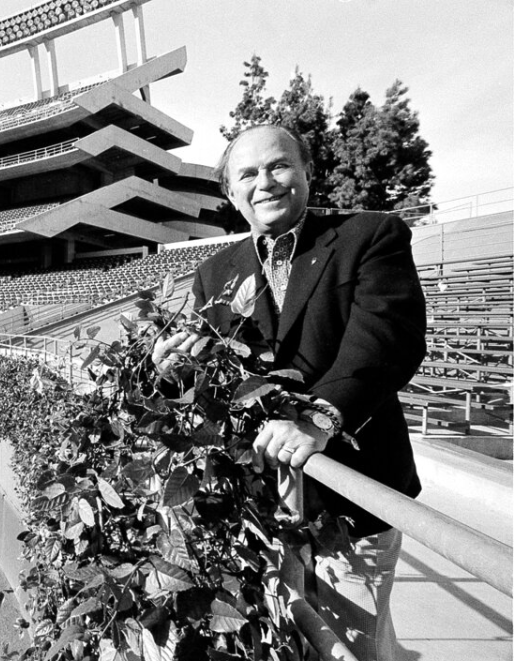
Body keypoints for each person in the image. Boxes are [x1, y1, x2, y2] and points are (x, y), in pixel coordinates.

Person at [155, 124, 427, 661]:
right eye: (248, 174)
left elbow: (385, 342)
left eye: (278, 166)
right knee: (302, 635)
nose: (266, 183)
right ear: (232, 195)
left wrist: (320, 415)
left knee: (355, 643)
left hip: (354, 496)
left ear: (306, 171)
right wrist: (179, 370)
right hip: (262, 503)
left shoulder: (369, 235)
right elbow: (221, 383)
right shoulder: (215, 273)